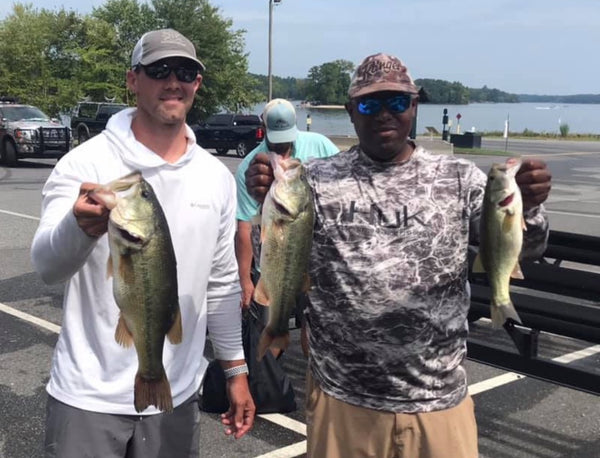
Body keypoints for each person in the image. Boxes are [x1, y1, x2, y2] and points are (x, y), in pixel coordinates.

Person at [245, 53, 552, 458]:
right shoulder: (315, 180)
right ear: (353, 112)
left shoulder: (460, 179)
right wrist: (263, 190)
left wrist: (529, 208)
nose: (383, 114)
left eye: (397, 102)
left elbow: (524, 249)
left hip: (437, 401)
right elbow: (277, 248)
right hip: (342, 400)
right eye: (370, 104)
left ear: (414, 107)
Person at [31, 28, 255, 458]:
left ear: (198, 84)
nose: (174, 82)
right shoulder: (84, 163)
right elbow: (46, 267)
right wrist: (80, 228)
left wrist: (236, 370)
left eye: (186, 72)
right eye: (159, 70)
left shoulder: (215, 176)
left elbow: (223, 282)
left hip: (178, 391)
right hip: (87, 396)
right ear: (133, 80)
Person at [234, 99, 338, 337]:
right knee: (267, 328)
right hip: (273, 265)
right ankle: (269, 362)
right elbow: (244, 226)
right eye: (276, 139)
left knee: (313, 334)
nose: (282, 148)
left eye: (286, 138)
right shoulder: (249, 168)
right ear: (263, 126)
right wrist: (245, 280)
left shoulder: (321, 146)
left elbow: (346, 188)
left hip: (318, 264)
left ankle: (310, 370)